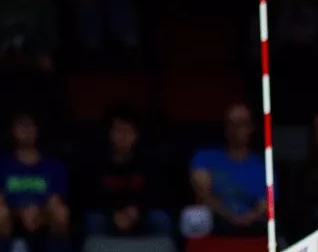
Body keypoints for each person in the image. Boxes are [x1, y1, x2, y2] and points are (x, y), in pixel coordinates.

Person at [80, 107, 170, 237]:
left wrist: (138, 211)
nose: (124, 136)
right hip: (108, 215)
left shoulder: (149, 161)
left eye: (129, 131)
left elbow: (157, 195)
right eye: (119, 131)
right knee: (94, 220)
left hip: (140, 214)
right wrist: (113, 214)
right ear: (109, 133)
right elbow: (88, 198)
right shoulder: (95, 161)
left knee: (160, 219)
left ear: (137, 135)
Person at [0, 111, 70, 243]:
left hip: (43, 215)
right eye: (21, 125)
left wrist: (38, 214)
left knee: (61, 212)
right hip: (11, 215)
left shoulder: (54, 166)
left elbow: (54, 201)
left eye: (31, 125)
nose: (27, 129)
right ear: (12, 130)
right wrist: (21, 212)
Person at [189, 102, 266, 233]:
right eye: (231, 123)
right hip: (215, 222)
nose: (235, 129)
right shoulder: (204, 157)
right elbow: (204, 196)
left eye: (241, 123)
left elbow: (264, 206)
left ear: (251, 127)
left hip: (252, 227)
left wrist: (246, 220)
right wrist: (231, 217)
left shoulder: (263, 166)